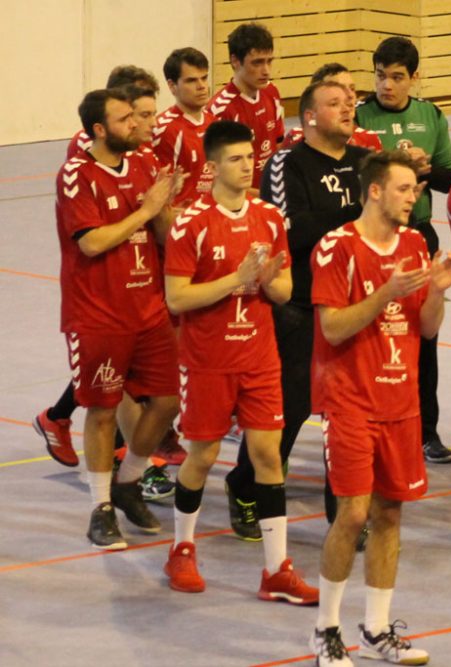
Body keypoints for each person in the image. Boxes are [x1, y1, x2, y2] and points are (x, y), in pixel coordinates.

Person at [309, 151, 451, 666]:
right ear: (374, 191)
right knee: (353, 513)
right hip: (350, 400)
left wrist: (436, 292)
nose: (412, 196)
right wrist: (385, 292)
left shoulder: (417, 244)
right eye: (403, 189)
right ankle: (325, 630)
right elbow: (332, 327)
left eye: (415, 189)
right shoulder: (337, 248)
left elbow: (427, 328)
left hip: (401, 402)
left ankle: (376, 630)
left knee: (390, 513)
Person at [161, 120, 318, 604]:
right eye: (236, 158)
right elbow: (177, 299)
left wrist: (268, 280)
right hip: (208, 359)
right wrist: (236, 279)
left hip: (258, 356)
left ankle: (276, 570)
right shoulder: (191, 223)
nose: (248, 165)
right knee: (203, 455)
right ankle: (181, 547)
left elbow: (287, 289)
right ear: (212, 167)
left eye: (251, 157)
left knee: (268, 456)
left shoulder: (269, 218)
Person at [224, 81, 368, 540]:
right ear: (308, 117)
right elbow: (295, 229)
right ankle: (244, 484)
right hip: (301, 306)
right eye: (334, 104)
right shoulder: (288, 163)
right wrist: (358, 215)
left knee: (349, 414)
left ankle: (342, 515)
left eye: (349, 103)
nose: (347, 108)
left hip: (354, 306)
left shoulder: (366, 162)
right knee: (290, 409)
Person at [56, 88, 181, 550]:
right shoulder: (76, 175)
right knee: (103, 411)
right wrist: (146, 210)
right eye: (125, 119)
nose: (136, 124)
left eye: (136, 116)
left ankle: (129, 483)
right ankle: (101, 507)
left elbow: (164, 232)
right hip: (98, 314)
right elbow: (90, 243)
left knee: (167, 402)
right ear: (100, 130)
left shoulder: (146, 164)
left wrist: (170, 211)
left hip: (147, 308)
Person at [355, 36, 451, 465]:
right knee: (369, 337)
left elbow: (449, 180)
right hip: (372, 238)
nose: (387, 86)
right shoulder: (359, 115)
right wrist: (391, 161)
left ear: (415, 77)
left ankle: (426, 430)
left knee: (422, 336)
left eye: (397, 77)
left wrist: (423, 170)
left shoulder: (431, 115)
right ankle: (367, 425)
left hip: (416, 234)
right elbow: (353, 176)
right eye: (381, 76)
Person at [209, 22, 284, 193]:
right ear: (235, 61)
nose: (266, 71)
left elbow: (278, 144)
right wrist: (266, 197)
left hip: (270, 195)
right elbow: (215, 179)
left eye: (269, 61)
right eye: (257, 63)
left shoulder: (271, 92)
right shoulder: (221, 109)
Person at [154, 47, 215, 210]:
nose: (202, 86)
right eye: (192, 80)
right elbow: (160, 198)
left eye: (204, 78)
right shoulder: (164, 130)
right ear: (172, 86)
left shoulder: (213, 122)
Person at [280, 63, 382, 152]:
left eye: (352, 88)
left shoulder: (369, 139)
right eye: (339, 89)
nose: (350, 95)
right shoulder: (297, 137)